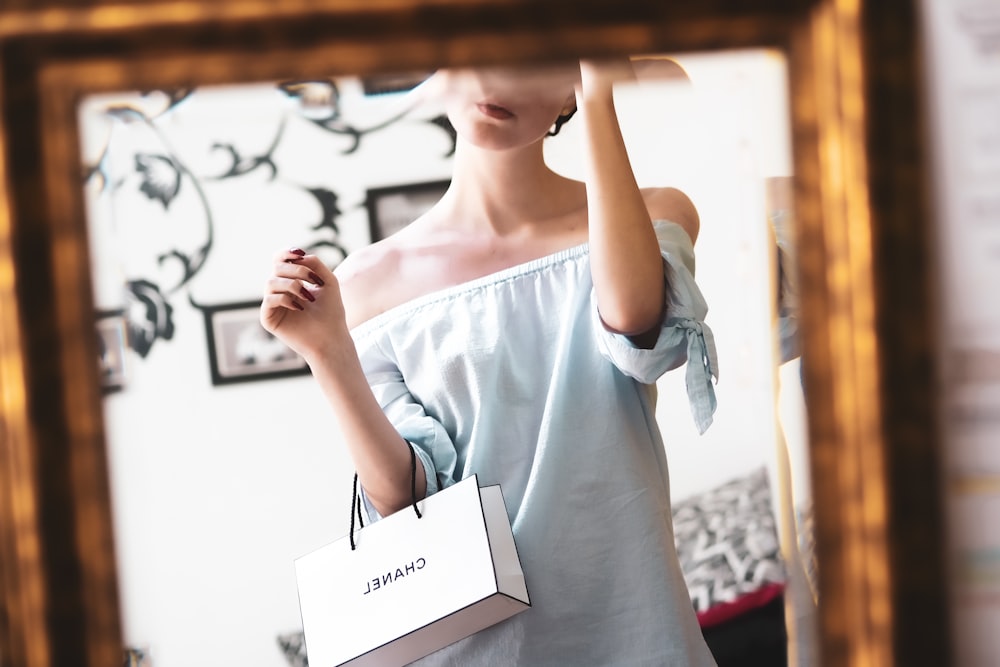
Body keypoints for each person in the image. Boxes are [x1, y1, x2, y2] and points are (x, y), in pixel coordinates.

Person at [261, 59, 719, 666]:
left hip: (632, 627)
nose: (496, 78)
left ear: (569, 94)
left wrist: (600, 98)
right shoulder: (369, 281)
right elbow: (405, 494)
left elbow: (636, 327)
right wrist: (327, 354)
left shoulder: (656, 212)